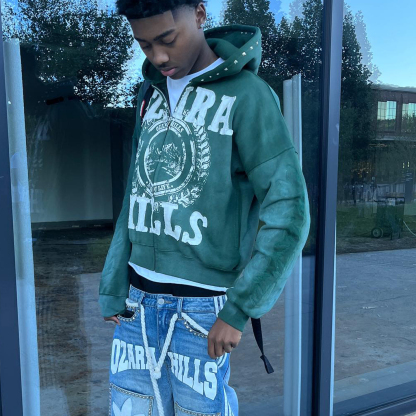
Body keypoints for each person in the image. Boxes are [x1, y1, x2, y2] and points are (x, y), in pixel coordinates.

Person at [98, 1, 310, 415]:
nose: (159, 57)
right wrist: (113, 283)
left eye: (167, 39)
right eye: (144, 45)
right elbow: (135, 191)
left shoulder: (249, 96)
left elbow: (288, 209)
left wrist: (240, 308)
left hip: (201, 309)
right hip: (137, 302)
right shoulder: (150, 93)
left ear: (198, 14)